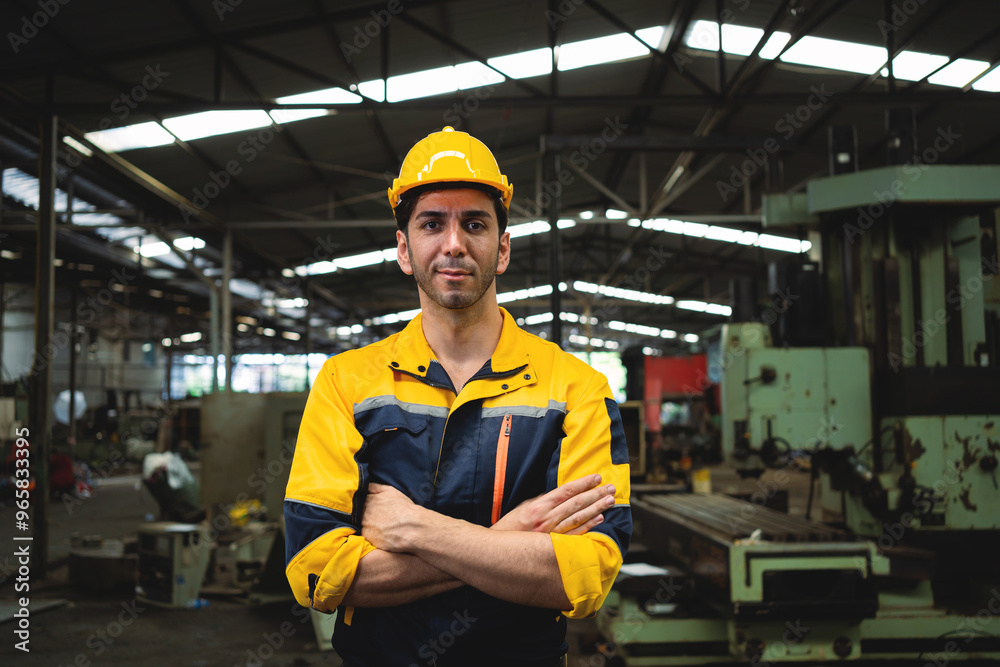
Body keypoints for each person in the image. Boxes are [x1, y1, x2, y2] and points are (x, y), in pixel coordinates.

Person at [284, 126, 632, 666]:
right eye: (431, 223)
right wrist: (509, 538)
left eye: (475, 223)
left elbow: (584, 578)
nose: (453, 243)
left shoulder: (577, 389)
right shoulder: (345, 383)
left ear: (503, 248)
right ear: (405, 250)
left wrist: (416, 529)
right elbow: (316, 570)